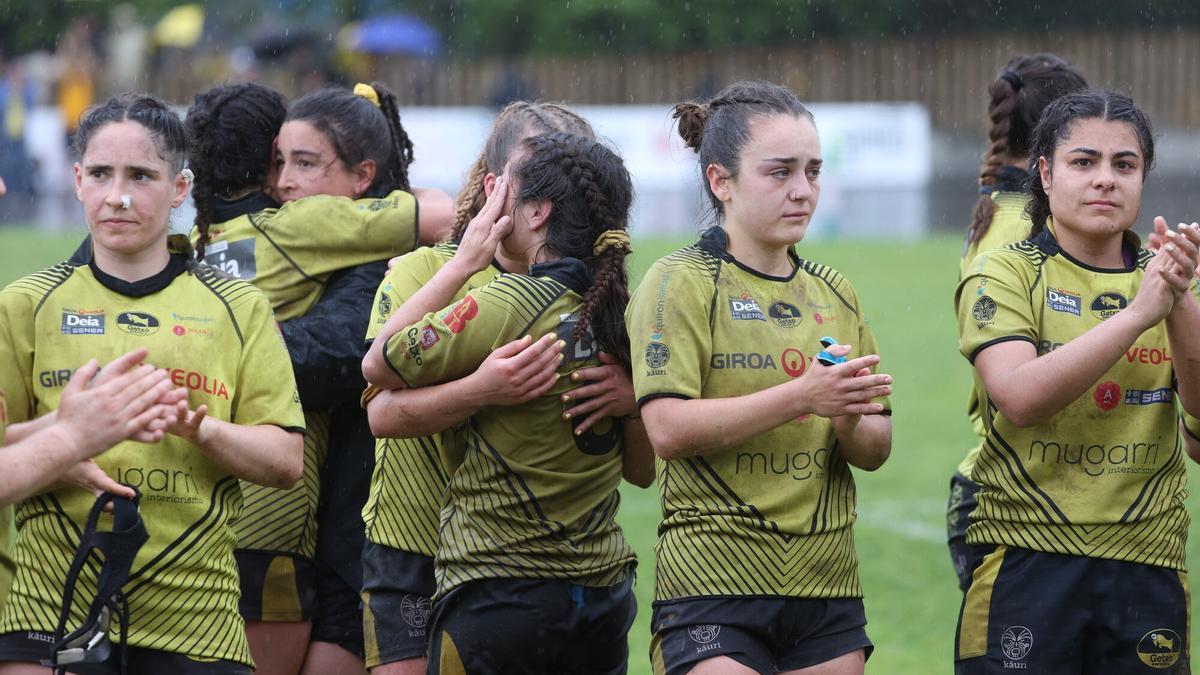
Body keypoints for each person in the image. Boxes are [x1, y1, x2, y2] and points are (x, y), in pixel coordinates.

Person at [0, 92, 304, 674]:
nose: (118, 196)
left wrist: (202, 429)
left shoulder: (238, 306)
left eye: (141, 176)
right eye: (101, 174)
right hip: (49, 607)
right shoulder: (23, 304)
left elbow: (286, 460)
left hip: (196, 618)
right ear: (77, 181)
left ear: (180, 189)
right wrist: (63, 449)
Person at [359, 101, 647, 674]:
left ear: (540, 209)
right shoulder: (613, 308)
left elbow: (377, 364)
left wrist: (633, 399)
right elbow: (381, 412)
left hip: (498, 575)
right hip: (431, 546)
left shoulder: (536, 300)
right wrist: (479, 388)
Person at [626, 80, 893, 675]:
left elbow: (875, 450)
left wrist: (848, 415)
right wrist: (804, 395)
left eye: (813, 172)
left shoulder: (834, 292)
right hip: (712, 582)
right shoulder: (679, 283)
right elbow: (666, 429)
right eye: (780, 172)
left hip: (825, 584)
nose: (803, 191)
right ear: (721, 181)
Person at [186, 81, 451, 675]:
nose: (285, 182)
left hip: (236, 502)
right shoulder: (304, 229)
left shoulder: (189, 244)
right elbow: (440, 210)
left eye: (303, 163)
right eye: (279, 163)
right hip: (287, 504)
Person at [953, 89, 1200, 673]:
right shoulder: (1005, 271)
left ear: (1143, 177)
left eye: (1124, 165)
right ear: (1045, 172)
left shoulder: (1166, 281)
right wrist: (1140, 314)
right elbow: (1019, 397)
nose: (1105, 180)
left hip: (1148, 562)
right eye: (1083, 162)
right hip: (1027, 556)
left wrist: (1182, 302)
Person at [947, 54, 1088, 592]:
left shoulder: (1002, 213)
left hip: (1047, 484)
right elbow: (1022, 390)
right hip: (1016, 493)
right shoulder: (1021, 237)